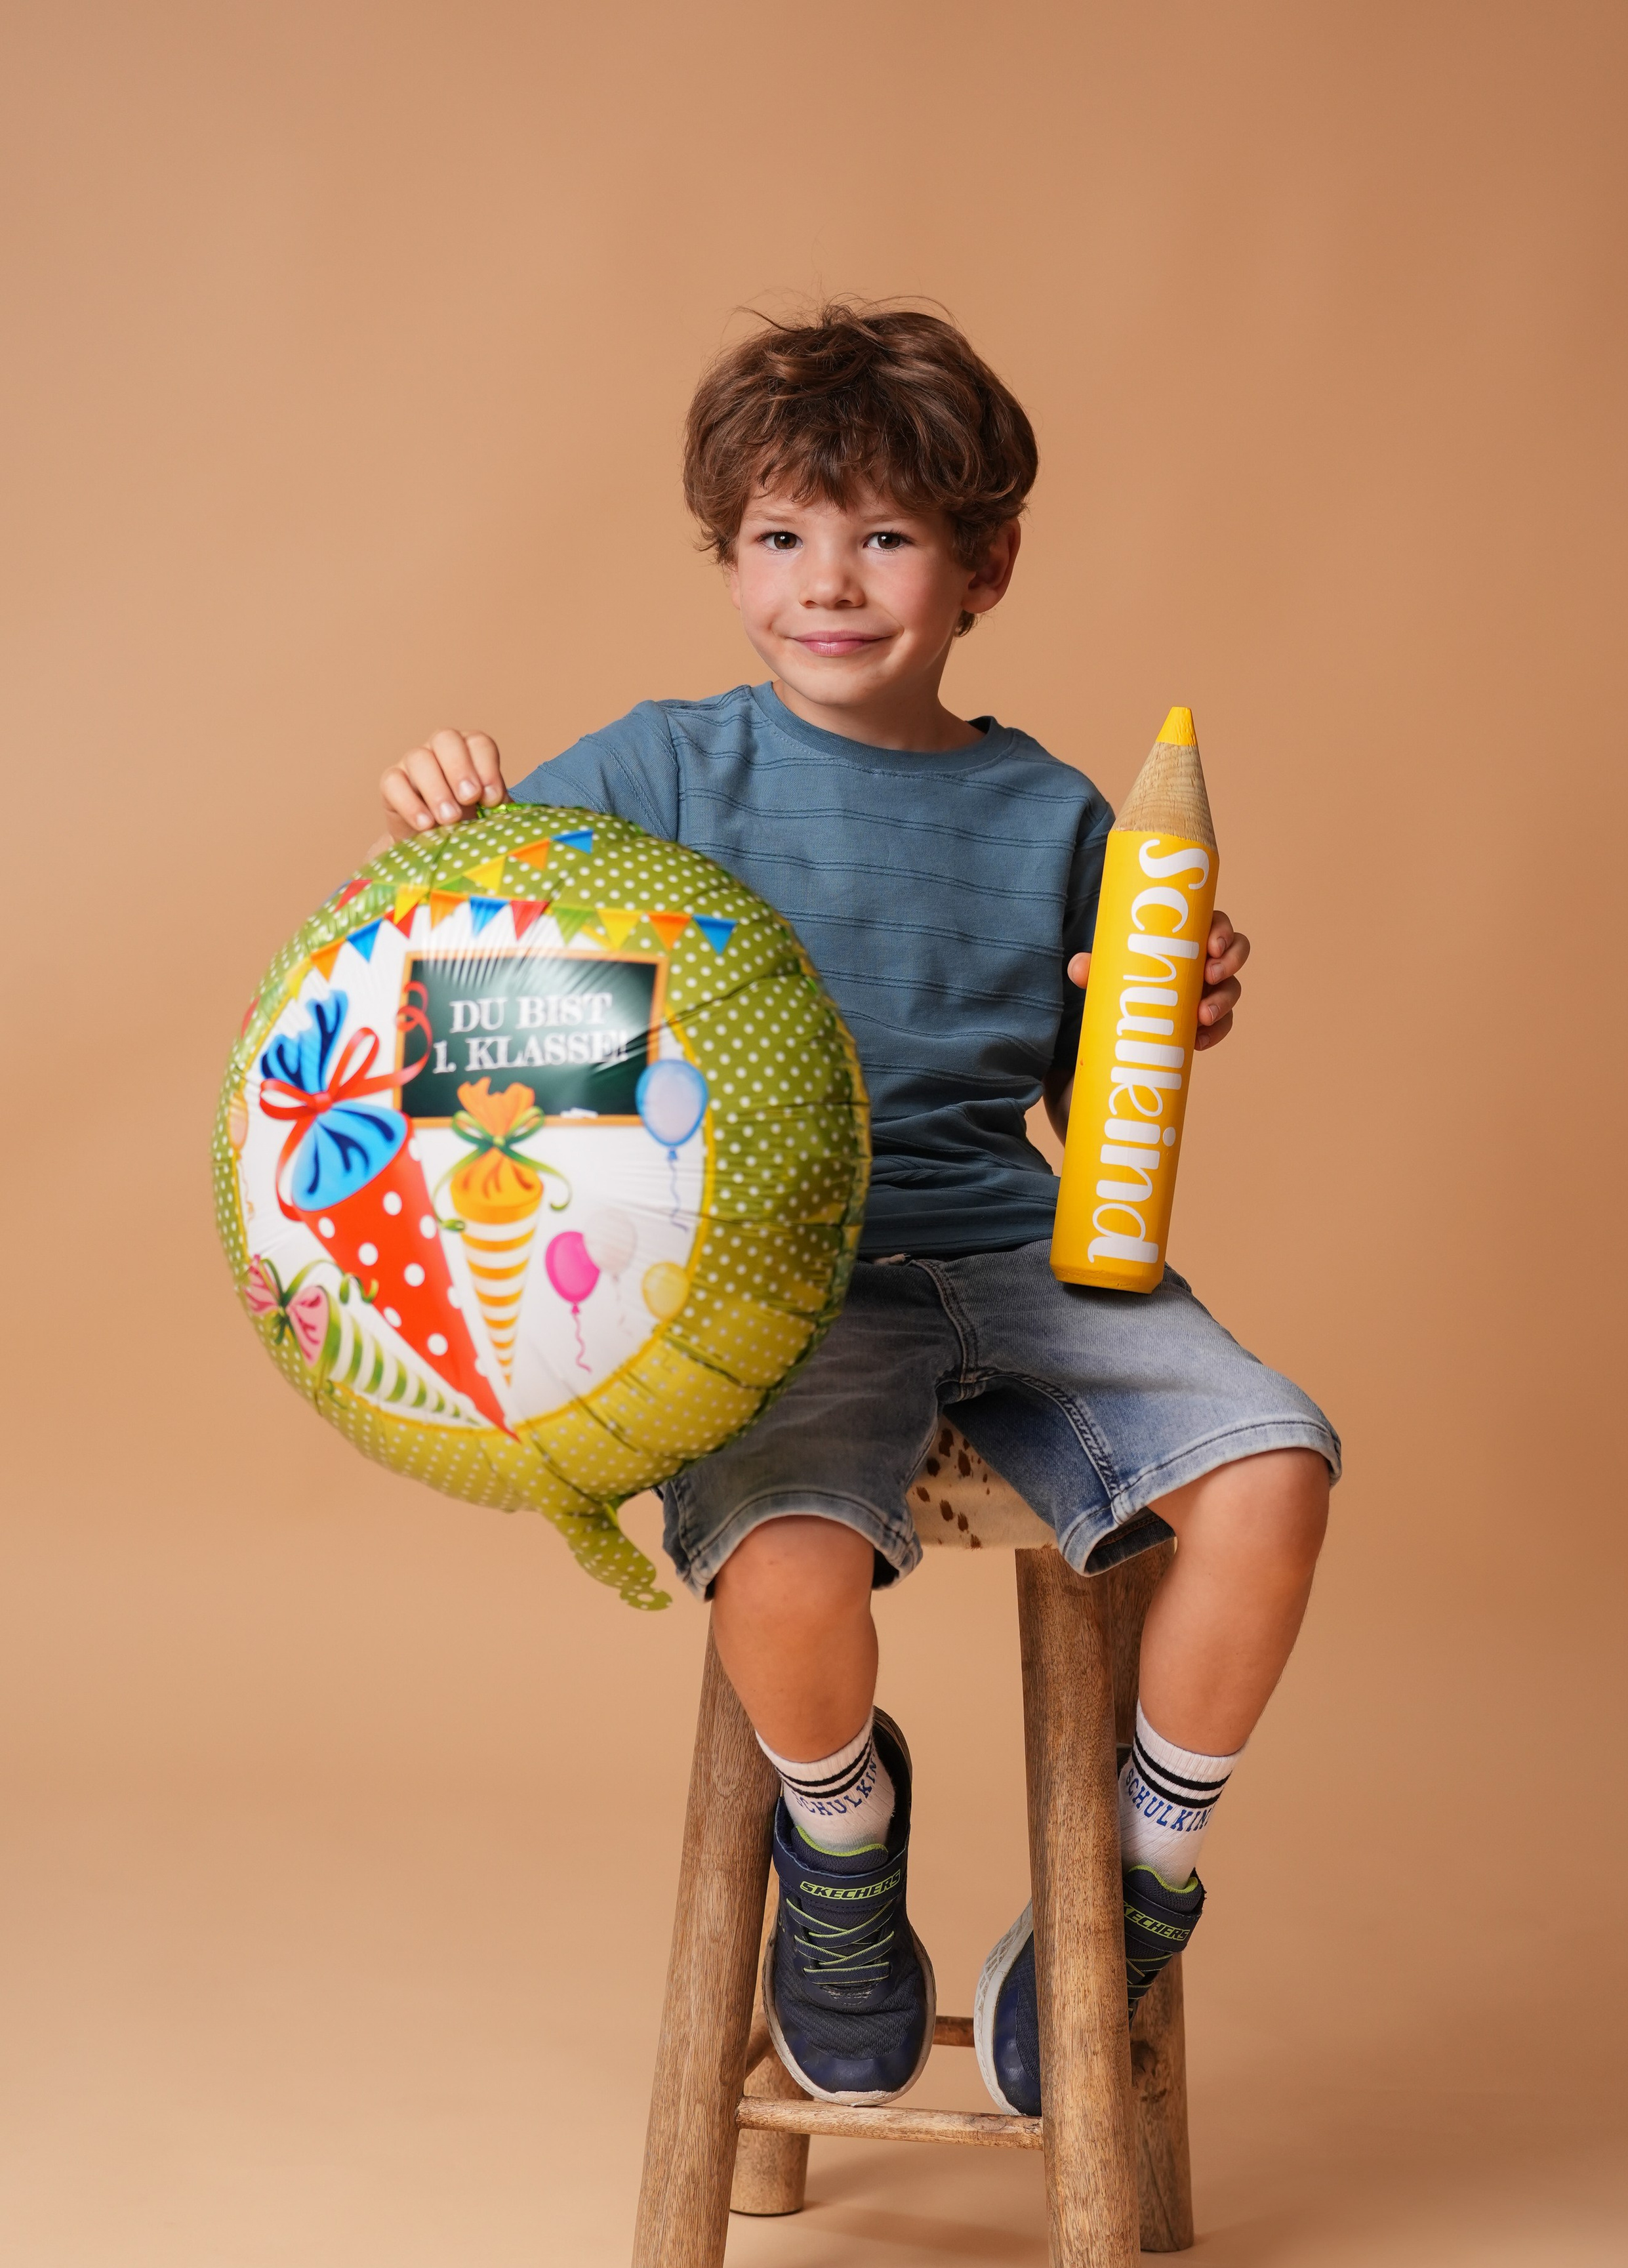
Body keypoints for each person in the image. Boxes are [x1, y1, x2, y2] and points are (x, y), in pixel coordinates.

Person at [378, 304, 1340, 2116]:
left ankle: (1131, 1889)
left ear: (986, 566)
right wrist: (450, 830)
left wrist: (1172, 1000)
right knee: (782, 1564)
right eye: (781, 537)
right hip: (777, 1279)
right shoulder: (665, 774)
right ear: (733, 558)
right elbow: (457, 981)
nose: (830, 581)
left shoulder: (1052, 807)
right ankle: (841, 1839)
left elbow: (1090, 1090)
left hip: (1019, 1253)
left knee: (1279, 1468)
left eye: (885, 536)